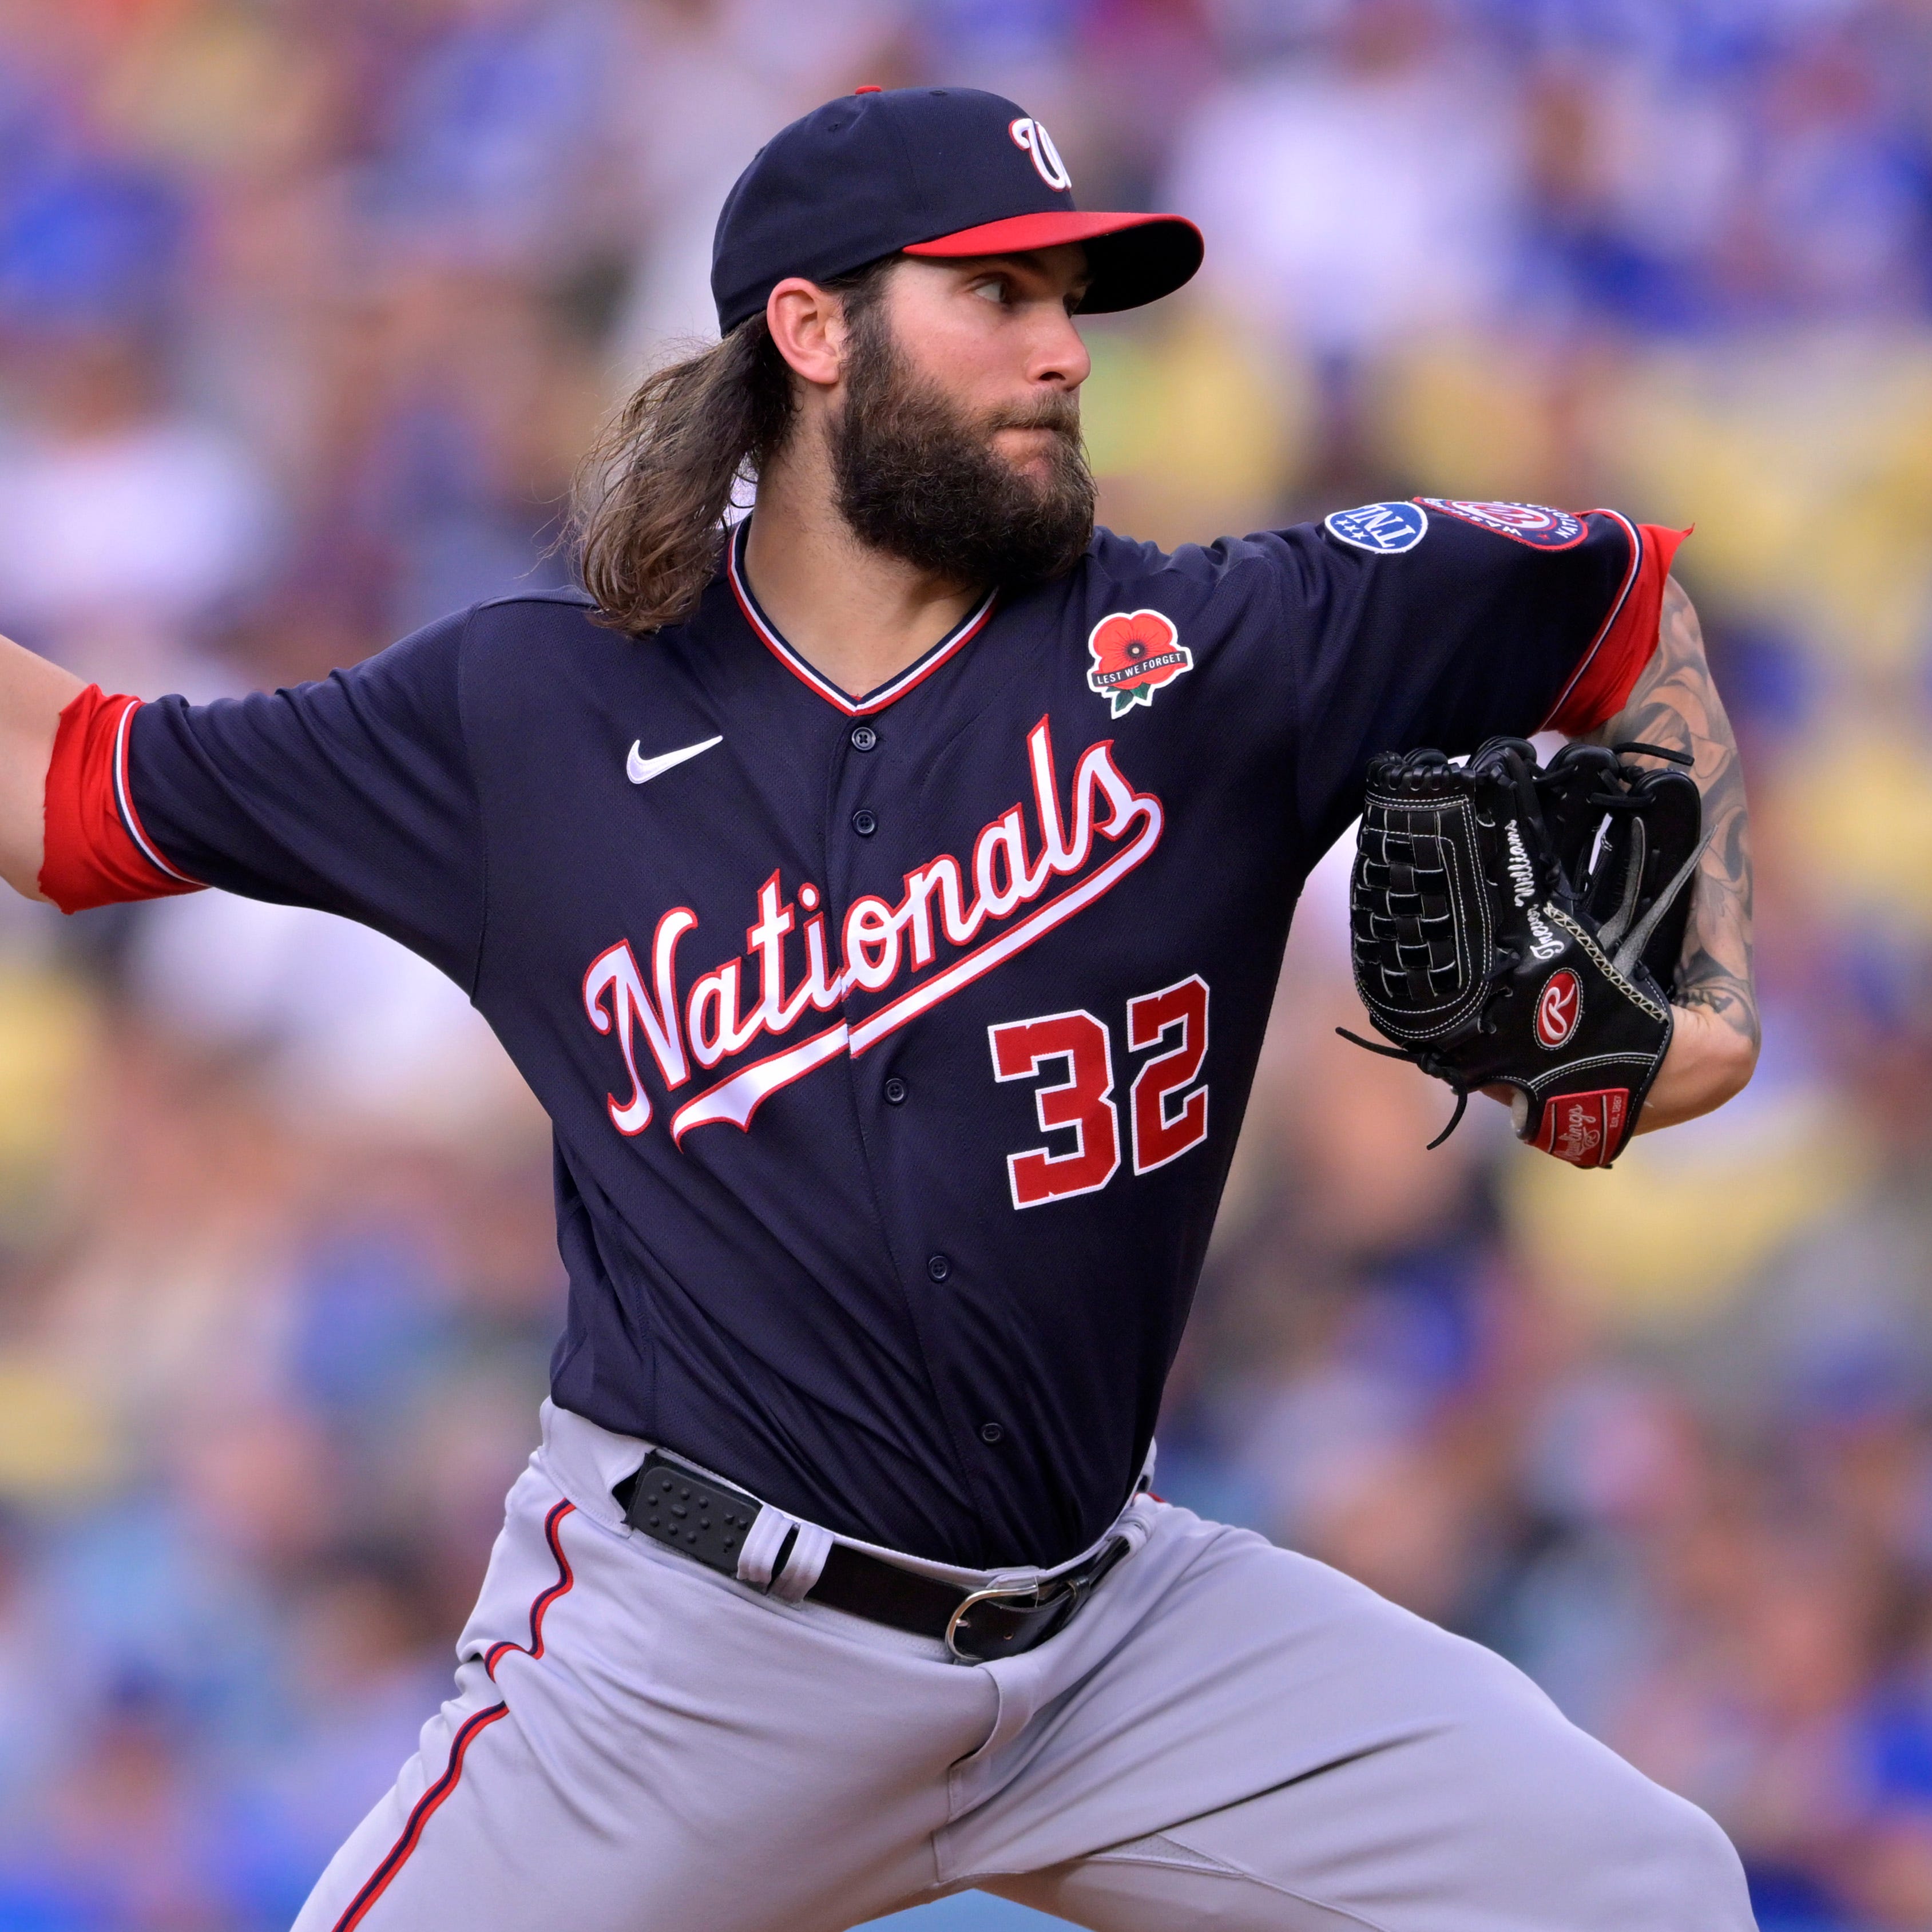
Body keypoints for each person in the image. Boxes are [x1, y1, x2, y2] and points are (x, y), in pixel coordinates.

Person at [0, 86, 1760, 1932]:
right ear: (811, 330)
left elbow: (1619, 603)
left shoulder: (1220, 655)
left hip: (1116, 1642)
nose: (1061, 353)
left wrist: (1705, 990)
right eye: (991, 296)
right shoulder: (527, 716)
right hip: (689, 1662)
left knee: (1640, 1887)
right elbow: (71, 795)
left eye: (1070, 302)